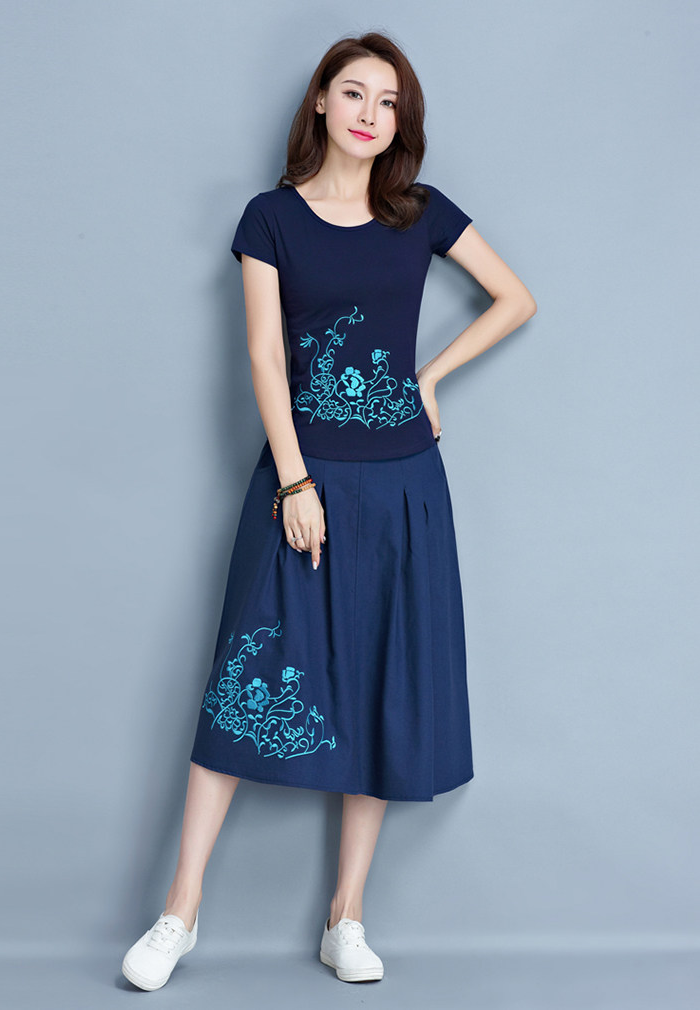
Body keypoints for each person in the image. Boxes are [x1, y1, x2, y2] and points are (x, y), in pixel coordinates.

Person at [121, 29, 536, 991]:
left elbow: (514, 298)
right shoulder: (270, 218)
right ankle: (179, 913)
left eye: (388, 103)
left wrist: (430, 376)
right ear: (319, 101)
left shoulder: (419, 213)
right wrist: (295, 482)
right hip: (303, 479)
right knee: (246, 678)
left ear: (400, 122)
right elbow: (265, 358)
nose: (369, 114)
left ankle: (346, 918)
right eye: (354, 93)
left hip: (404, 484)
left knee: (382, 682)